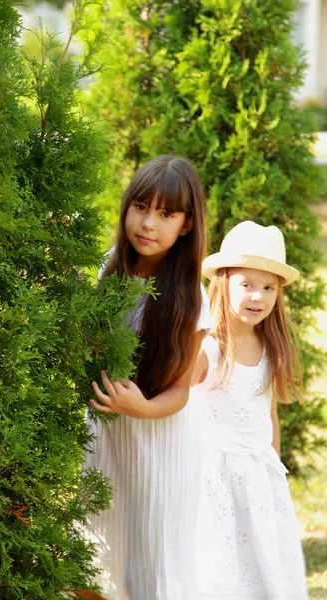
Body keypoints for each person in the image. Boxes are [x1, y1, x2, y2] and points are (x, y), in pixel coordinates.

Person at [80, 155, 211, 600]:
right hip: (108, 432)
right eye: (140, 206)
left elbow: (181, 390)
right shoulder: (110, 265)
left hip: (162, 437)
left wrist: (143, 408)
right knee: (92, 555)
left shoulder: (192, 295)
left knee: (151, 565)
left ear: (186, 225)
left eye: (166, 213)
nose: (148, 223)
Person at [191, 220, 308, 599]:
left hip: (258, 477)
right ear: (224, 282)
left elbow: (268, 414)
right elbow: (177, 399)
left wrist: (272, 470)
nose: (257, 296)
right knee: (222, 566)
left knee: (265, 560)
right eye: (247, 284)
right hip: (215, 480)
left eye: (268, 287)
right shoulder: (210, 348)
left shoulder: (270, 346)